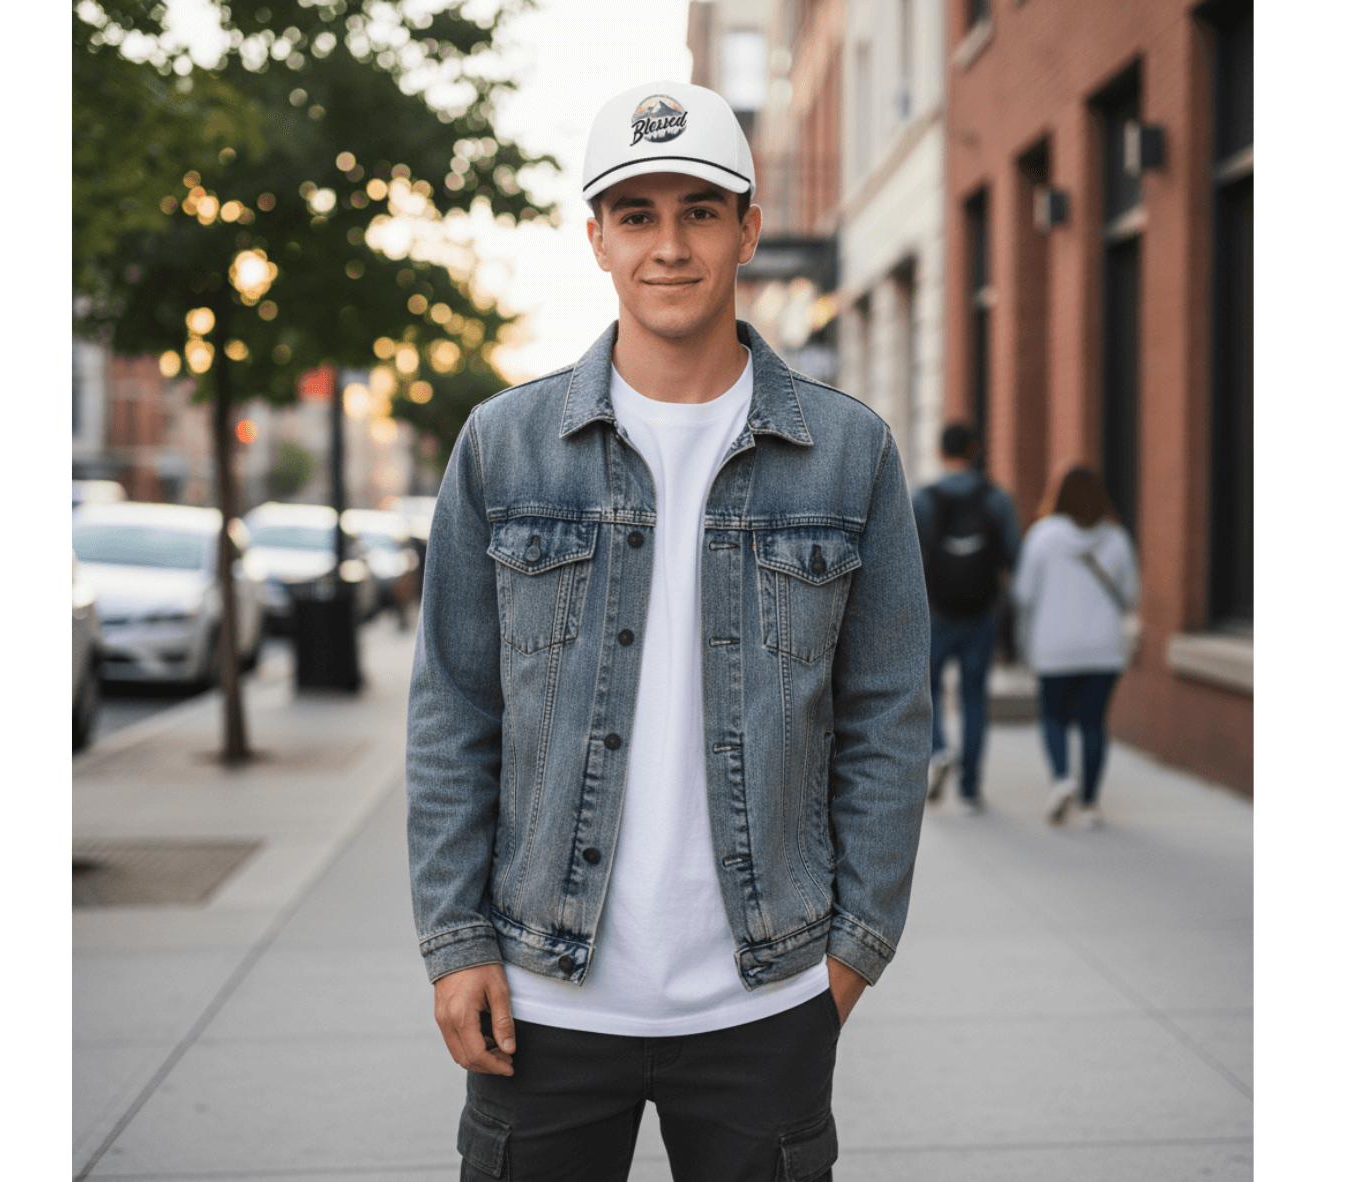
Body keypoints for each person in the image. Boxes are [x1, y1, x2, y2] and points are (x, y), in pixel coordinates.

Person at [405, 80, 931, 1181]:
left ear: (747, 226)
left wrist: (849, 958)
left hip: (767, 996)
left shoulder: (849, 453)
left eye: (699, 209)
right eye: (636, 214)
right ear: (595, 238)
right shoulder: (504, 448)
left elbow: (888, 716)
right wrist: (457, 945)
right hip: (543, 1001)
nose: (670, 244)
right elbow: (453, 708)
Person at [1010, 466, 1140, 829]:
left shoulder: (1041, 537)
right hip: (1103, 648)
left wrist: (1022, 645)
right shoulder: (1117, 539)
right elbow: (1130, 597)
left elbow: (1023, 594)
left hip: (1054, 647)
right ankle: (1090, 804)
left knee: (1053, 716)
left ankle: (1062, 780)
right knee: (1093, 723)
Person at [910, 422, 1021, 813]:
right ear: (975, 451)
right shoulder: (997, 499)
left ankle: (939, 751)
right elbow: (1012, 555)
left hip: (935, 612)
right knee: (974, 697)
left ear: (942, 453)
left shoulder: (922, 499)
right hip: (981, 613)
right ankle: (971, 787)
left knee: (929, 691)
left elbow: (904, 559)